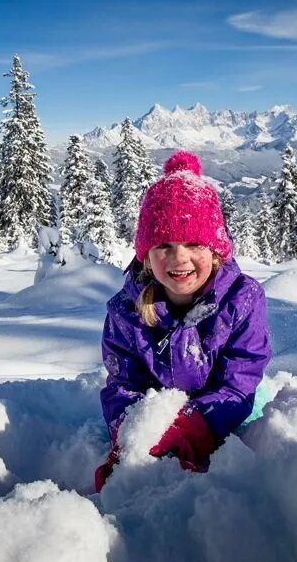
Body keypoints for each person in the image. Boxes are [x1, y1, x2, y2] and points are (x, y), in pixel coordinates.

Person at [94, 150, 272, 491]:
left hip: (226, 417)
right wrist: (130, 434)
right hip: (158, 426)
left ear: (216, 250)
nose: (179, 259)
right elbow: (122, 385)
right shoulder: (125, 312)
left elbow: (240, 380)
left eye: (194, 244)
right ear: (145, 255)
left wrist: (194, 426)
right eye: (163, 245)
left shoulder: (242, 300)